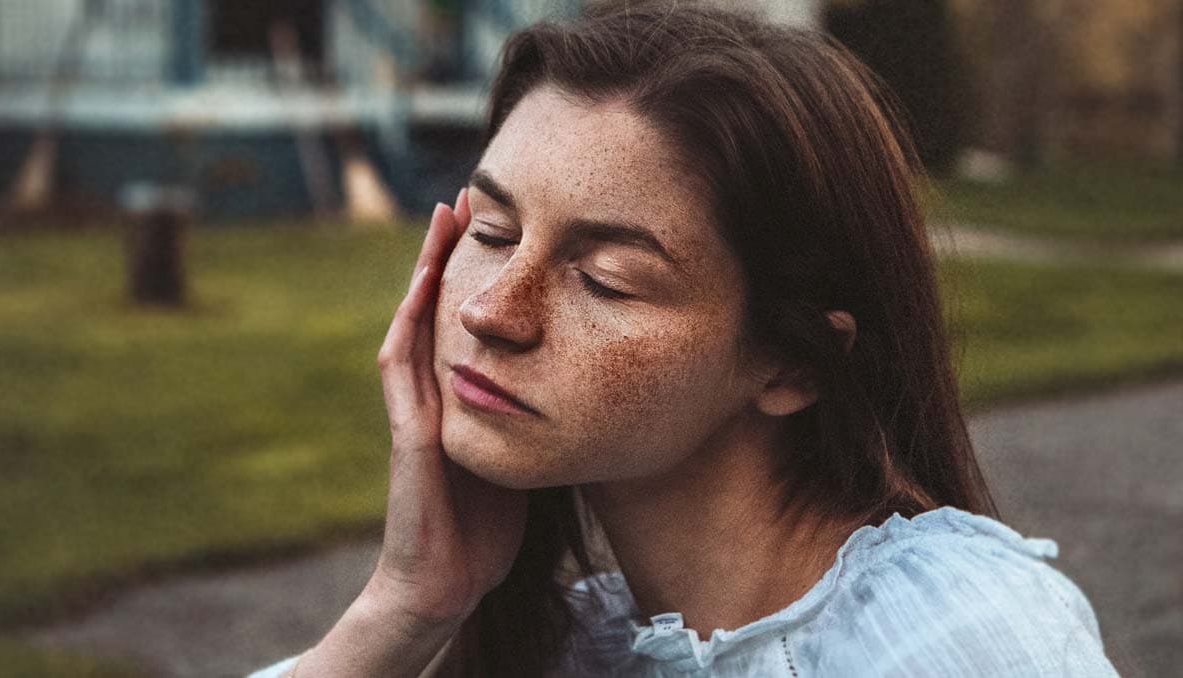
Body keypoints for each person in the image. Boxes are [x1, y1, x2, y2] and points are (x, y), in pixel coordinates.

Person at [250, 2, 1118, 676]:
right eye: (493, 233)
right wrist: (403, 609)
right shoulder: (583, 650)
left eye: (607, 279)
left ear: (791, 361)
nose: (492, 311)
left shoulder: (950, 638)